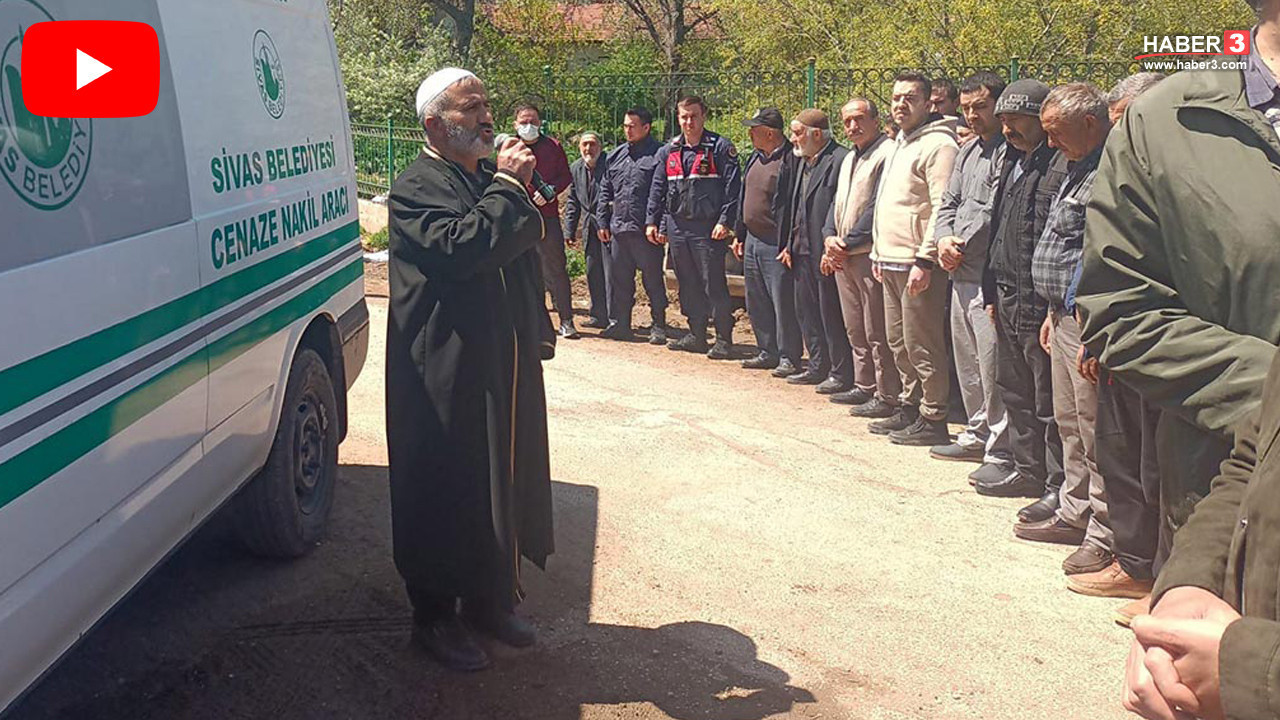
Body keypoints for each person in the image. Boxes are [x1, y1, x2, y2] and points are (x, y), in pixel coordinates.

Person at [386, 68, 555, 672]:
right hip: (443, 367)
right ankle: (433, 615)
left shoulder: (485, 176)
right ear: (435, 123)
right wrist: (509, 188)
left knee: (497, 476)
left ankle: (488, 599)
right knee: (445, 481)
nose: (488, 116)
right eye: (471, 106)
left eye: (488, 103)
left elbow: (522, 249)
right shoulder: (415, 186)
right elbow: (463, 248)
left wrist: (537, 330)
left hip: (498, 360)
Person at [1015, 83, 1121, 581]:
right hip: (1061, 316)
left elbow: (1098, 255)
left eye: (1057, 133)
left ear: (1091, 124)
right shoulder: (1076, 166)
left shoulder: (1108, 172)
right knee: (1068, 422)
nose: (1050, 144)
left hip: (1086, 322)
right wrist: (1051, 311)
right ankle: (1075, 511)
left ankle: (1105, 534)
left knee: (1095, 429)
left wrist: (1089, 323)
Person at [1072, 71, 1166, 626]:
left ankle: (1165, 579)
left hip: (1161, 340)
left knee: (1160, 467)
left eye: (1126, 122)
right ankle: (1134, 566)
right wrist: (1094, 325)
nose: (1119, 135)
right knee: (1121, 452)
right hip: (1117, 335)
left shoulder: (1177, 176)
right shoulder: (1118, 169)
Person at [972, 79, 1067, 526]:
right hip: (1006, 296)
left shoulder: (1060, 164)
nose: (1006, 127)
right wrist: (991, 292)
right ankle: (1027, 470)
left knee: (1048, 401)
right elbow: (999, 229)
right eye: (1004, 119)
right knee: (1016, 392)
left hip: (1039, 303)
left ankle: (1056, 484)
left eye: (1015, 119)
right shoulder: (1011, 161)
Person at [868, 72, 959, 446]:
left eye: (910, 98)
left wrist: (926, 259)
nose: (900, 105)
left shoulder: (938, 145)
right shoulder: (899, 144)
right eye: (895, 98)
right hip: (888, 259)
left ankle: (934, 414)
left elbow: (941, 206)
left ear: (927, 103)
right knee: (897, 342)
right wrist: (876, 250)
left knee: (922, 343)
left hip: (915, 264)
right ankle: (910, 405)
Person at [932, 72, 1011, 480]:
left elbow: (992, 210)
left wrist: (957, 244)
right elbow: (949, 201)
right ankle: (976, 432)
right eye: (965, 108)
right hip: (957, 270)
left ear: (998, 106)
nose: (972, 115)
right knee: (967, 361)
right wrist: (943, 238)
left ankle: (1001, 447)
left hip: (984, 274)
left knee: (992, 362)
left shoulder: (1007, 153)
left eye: (980, 107)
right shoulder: (966, 152)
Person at [821, 98, 901, 415]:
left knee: (876, 329)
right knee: (854, 327)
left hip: (867, 254)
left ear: (875, 119)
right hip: (844, 254)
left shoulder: (887, 153)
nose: (852, 126)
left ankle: (887, 394)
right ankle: (864, 384)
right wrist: (829, 237)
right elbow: (836, 203)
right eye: (846, 121)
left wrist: (847, 242)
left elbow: (877, 208)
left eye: (859, 119)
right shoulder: (849, 158)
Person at [646, 96, 742, 359]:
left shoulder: (720, 147)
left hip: (708, 228)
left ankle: (723, 339)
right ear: (678, 118)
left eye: (694, 116)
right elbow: (659, 189)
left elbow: (733, 190)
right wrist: (653, 221)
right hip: (678, 227)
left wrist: (725, 221)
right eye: (684, 116)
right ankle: (696, 334)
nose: (689, 122)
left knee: (713, 284)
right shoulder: (670, 150)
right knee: (686, 283)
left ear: (704, 116)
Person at [779, 109, 854, 393]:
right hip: (800, 249)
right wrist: (788, 243)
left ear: (817, 134)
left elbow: (836, 208)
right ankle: (817, 365)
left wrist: (828, 245)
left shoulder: (840, 159)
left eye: (798, 133)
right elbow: (795, 205)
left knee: (829, 314)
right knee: (807, 311)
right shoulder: (803, 160)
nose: (793, 139)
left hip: (823, 250)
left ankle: (840, 372)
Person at [734, 107, 803, 375]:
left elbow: (794, 205)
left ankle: (789, 355)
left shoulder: (790, 160)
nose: (750, 133)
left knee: (782, 301)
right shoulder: (755, 157)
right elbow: (744, 195)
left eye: (754, 129)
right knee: (757, 298)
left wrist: (789, 242)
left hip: (776, 241)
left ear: (771, 133)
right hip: (752, 238)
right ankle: (766, 350)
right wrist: (739, 234)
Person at [597, 107, 670, 344]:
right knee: (620, 280)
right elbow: (605, 189)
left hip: (645, 231)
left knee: (652, 280)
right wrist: (602, 221)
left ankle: (658, 324)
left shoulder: (660, 154)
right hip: (619, 229)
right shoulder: (615, 155)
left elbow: (664, 193)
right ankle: (621, 323)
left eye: (632, 125)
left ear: (646, 127)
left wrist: (659, 224)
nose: (627, 129)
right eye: (625, 125)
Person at [514, 102, 577, 339]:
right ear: (515, 124)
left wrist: (551, 190)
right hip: (519, 219)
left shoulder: (553, 146)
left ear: (540, 124)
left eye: (533, 122)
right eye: (524, 122)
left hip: (547, 218)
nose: (528, 126)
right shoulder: (510, 148)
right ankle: (534, 322)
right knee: (525, 270)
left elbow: (565, 175)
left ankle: (566, 321)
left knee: (556, 268)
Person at [564, 132, 609, 329]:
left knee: (612, 273)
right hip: (589, 230)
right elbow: (573, 202)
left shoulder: (610, 165)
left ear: (600, 145)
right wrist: (570, 230)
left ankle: (616, 317)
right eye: (584, 145)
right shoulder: (575, 168)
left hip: (609, 228)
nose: (588, 149)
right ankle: (598, 315)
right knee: (593, 271)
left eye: (592, 144)